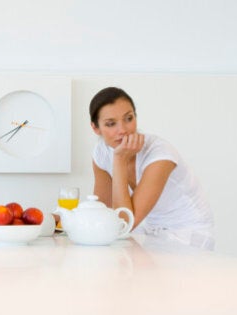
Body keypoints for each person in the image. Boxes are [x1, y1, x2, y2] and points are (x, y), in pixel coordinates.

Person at [89, 87, 214, 250]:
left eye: (128, 118)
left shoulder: (160, 154)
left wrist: (119, 160)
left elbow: (125, 223)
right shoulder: (101, 153)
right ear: (96, 128)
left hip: (187, 232)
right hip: (148, 230)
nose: (123, 130)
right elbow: (102, 212)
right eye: (111, 124)